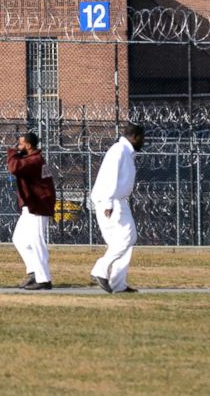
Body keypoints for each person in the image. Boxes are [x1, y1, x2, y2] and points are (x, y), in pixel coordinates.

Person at [90, 123, 146, 294]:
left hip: (118, 200)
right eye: (142, 138)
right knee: (128, 237)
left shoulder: (125, 152)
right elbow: (110, 176)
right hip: (112, 201)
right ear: (135, 137)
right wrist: (108, 203)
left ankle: (118, 283)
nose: (143, 142)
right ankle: (100, 270)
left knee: (123, 242)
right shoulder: (119, 150)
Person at [6, 132, 56, 290]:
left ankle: (44, 279)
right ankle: (34, 272)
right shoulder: (32, 159)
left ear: (28, 145)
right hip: (30, 206)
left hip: (38, 205)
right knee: (19, 239)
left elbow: (14, 168)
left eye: (20, 144)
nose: (18, 147)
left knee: (36, 241)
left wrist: (12, 153)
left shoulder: (35, 160)